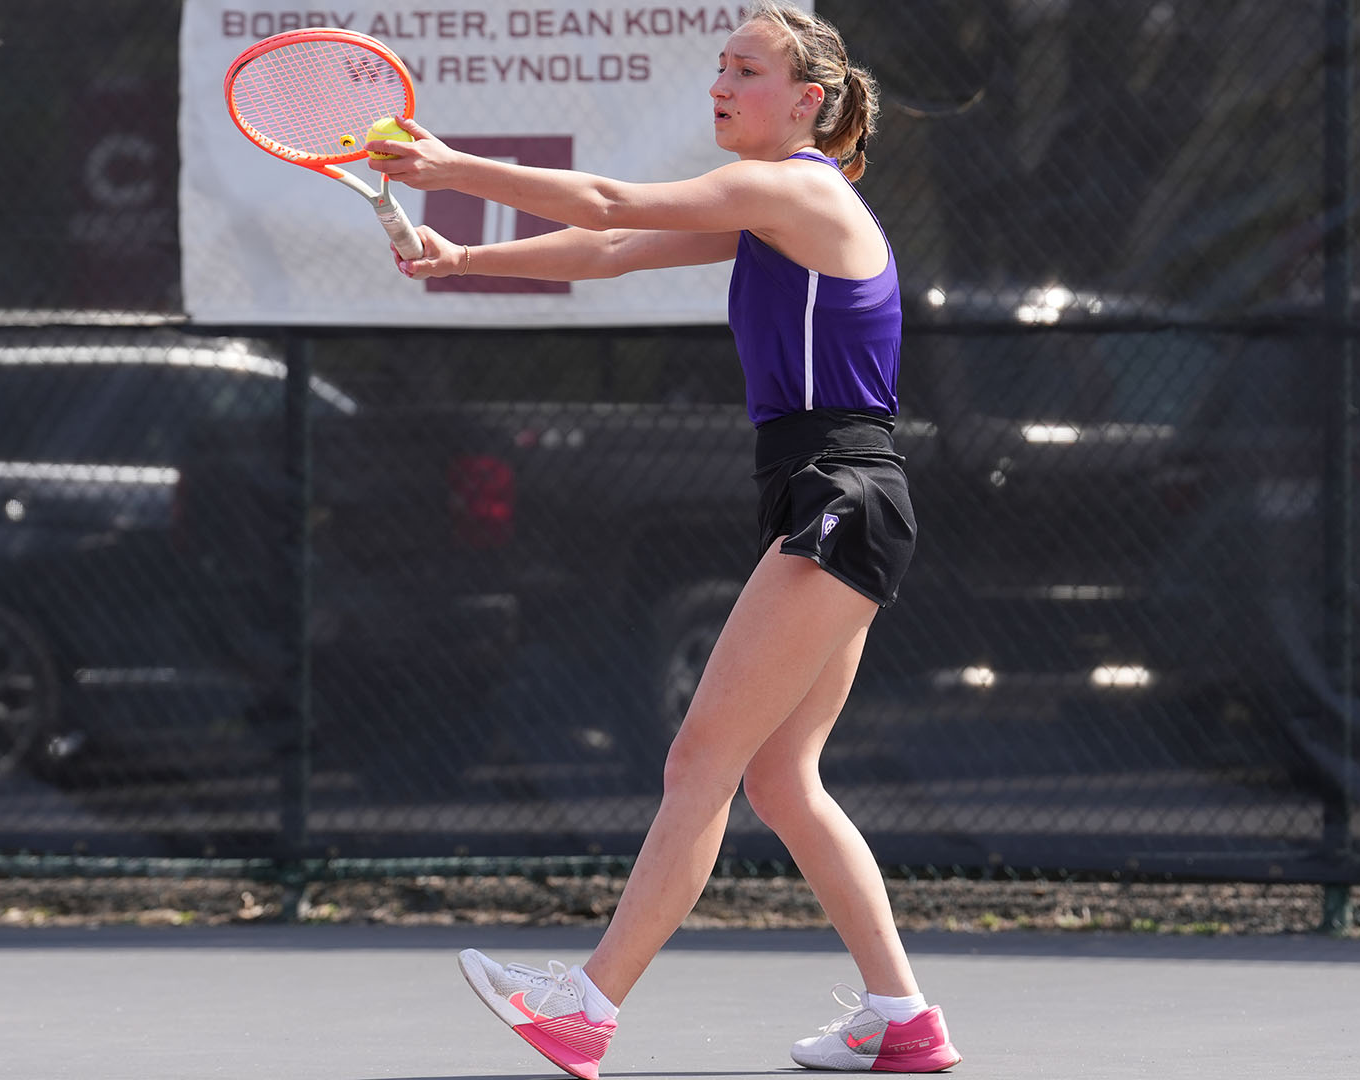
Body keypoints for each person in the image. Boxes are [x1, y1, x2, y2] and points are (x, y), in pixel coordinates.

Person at [365, 2, 959, 1075]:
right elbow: (613, 246)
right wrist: (460, 258)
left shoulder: (793, 187)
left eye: (746, 70)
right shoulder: (771, 208)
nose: (722, 85)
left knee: (701, 758)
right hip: (843, 498)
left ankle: (587, 1004)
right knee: (782, 778)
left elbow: (605, 195)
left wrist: (448, 161)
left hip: (841, 492)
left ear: (808, 101)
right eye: (719, 68)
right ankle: (902, 1018)